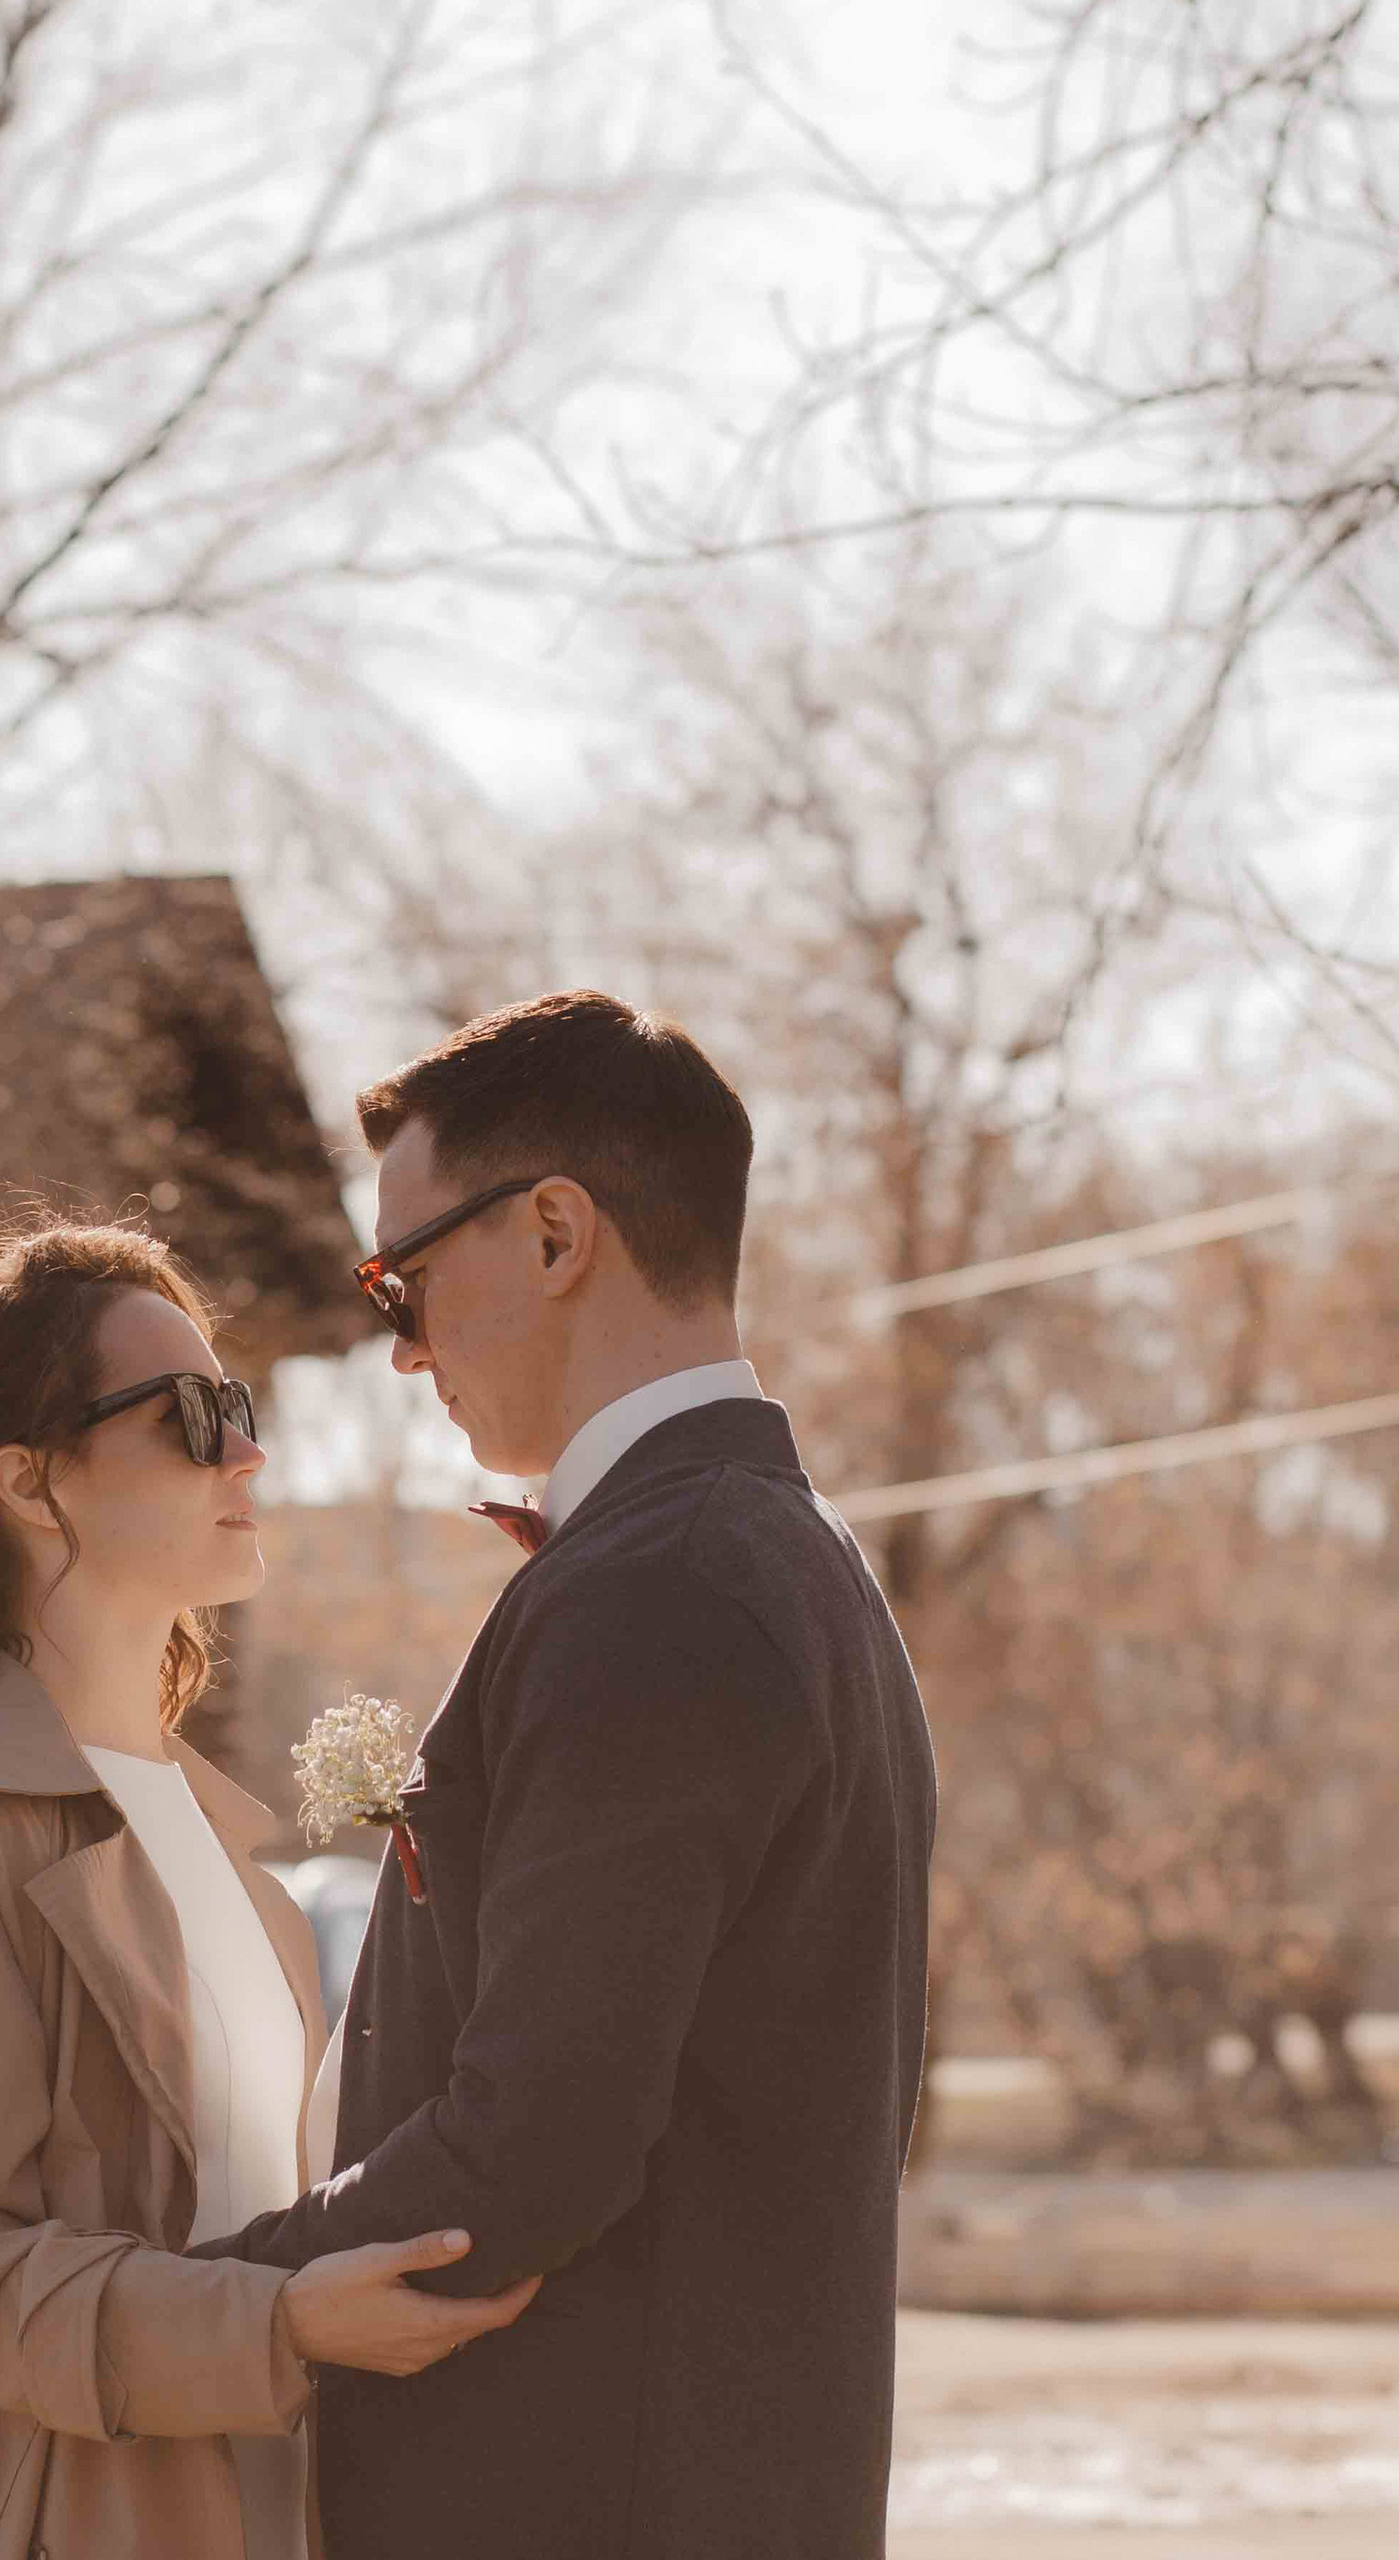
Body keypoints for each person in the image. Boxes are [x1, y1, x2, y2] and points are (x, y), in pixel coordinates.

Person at [196, 991, 939, 2559]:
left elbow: (532, 2147)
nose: (402, 1350)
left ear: (553, 1236)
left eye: (403, 1279)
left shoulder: (663, 1584)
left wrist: (180, 2307)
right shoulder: (778, 1553)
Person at [0, 1219, 535, 2560]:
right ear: (31, 1483)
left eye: (238, 1408)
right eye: (191, 1418)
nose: (248, 1454)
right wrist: (281, 2326)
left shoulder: (221, 1845)